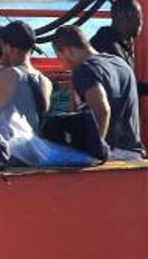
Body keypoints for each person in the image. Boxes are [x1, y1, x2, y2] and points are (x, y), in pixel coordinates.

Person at [53, 25, 144, 161]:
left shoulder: (84, 70)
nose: (63, 66)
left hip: (113, 155)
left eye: (60, 58)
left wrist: (95, 151)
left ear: (68, 52)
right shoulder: (120, 63)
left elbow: (102, 109)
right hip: (134, 154)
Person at [91, 0, 147, 96]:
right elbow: (125, 87)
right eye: (139, 17)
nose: (141, 22)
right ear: (124, 17)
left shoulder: (119, 44)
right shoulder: (108, 47)